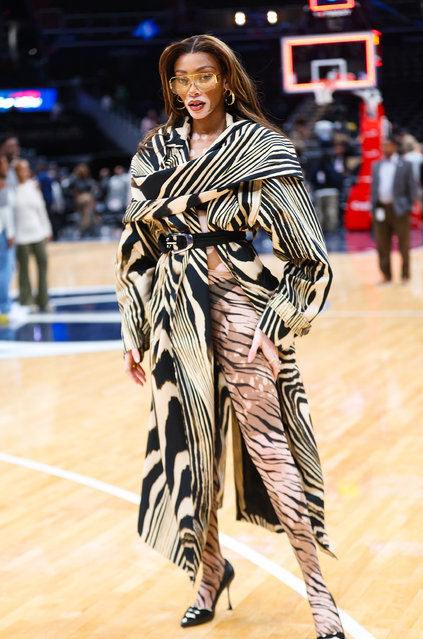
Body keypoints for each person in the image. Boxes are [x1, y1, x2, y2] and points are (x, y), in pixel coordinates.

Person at [115, 34, 345, 639]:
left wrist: (279, 322)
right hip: (172, 313)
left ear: (227, 80)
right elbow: (136, 247)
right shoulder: (154, 150)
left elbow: (308, 255)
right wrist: (135, 326)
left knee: (270, 450)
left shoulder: (263, 148)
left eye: (204, 76)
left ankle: (320, 595)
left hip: (236, 298)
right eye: (181, 80)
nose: (192, 89)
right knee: (191, 452)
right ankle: (210, 572)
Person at [371, 136, 416, 284]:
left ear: (395, 147)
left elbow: (412, 188)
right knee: (382, 245)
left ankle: (405, 275)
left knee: (404, 244)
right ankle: (386, 275)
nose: (384, 149)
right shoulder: (377, 165)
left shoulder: (405, 164)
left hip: (400, 211)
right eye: (383, 146)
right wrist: (373, 207)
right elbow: (374, 189)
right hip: (381, 210)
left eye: (387, 146)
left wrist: (408, 207)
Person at [14, 159, 53, 311]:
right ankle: (27, 300)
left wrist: (47, 230)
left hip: (38, 232)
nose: (25, 171)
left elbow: (41, 210)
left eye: (27, 168)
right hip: (20, 236)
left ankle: (43, 300)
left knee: (43, 264)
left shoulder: (33, 186)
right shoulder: (11, 189)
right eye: (21, 169)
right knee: (23, 269)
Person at [0, 155, 15, 323]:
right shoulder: (2, 185)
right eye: (3, 164)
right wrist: (10, 234)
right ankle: (4, 308)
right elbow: (4, 214)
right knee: (5, 271)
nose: (6, 167)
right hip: (2, 232)